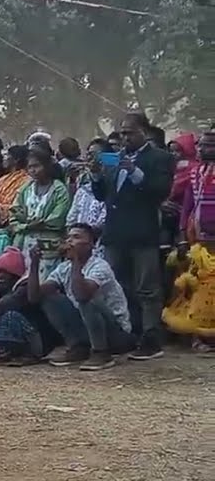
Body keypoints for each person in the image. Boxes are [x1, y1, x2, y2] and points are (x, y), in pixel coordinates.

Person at [92, 112, 175, 360]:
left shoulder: (160, 157)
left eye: (129, 133)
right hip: (115, 233)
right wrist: (96, 174)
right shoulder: (113, 158)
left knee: (147, 288)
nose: (124, 138)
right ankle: (125, 335)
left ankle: (151, 339)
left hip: (142, 232)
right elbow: (102, 194)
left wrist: (135, 172)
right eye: (121, 133)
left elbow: (160, 191)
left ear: (144, 132)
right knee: (116, 286)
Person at [34, 224, 136, 370]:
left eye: (76, 237)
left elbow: (82, 294)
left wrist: (76, 260)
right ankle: (79, 347)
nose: (70, 241)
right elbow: (35, 296)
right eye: (68, 237)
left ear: (91, 245)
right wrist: (34, 263)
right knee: (49, 298)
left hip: (116, 333)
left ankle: (101, 352)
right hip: (87, 326)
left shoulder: (100, 266)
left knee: (87, 298)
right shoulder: (64, 268)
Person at [11, 149, 71, 280]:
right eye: (30, 167)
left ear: (47, 166)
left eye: (36, 166)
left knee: (44, 283)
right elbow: (14, 211)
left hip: (48, 247)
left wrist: (41, 223)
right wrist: (26, 225)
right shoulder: (25, 189)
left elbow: (59, 216)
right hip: (24, 244)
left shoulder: (59, 189)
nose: (33, 170)